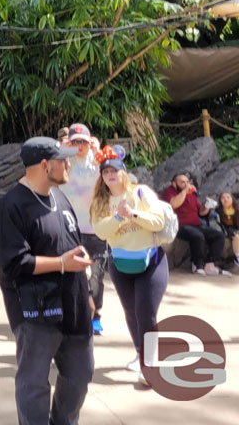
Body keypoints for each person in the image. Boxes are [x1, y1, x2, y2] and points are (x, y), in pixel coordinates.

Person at [0, 137, 93, 425]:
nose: (68, 164)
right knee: (34, 383)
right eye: (62, 160)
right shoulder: (11, 206)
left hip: (74, 306)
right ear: (45, 165)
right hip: (35, 311)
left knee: (81, 373)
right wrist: (61, 264)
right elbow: (14, 263)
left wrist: (86, 293)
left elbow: (73, 245)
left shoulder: (59, 197)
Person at [89, 146, 169, 385]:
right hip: (120, 262)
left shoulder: (141, 193)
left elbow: (158, 221)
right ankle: (139, 351)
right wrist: (117, 216)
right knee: (131, 312)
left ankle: (150, 364)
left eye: (114, 170)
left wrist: (132, 214)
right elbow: (100, 231)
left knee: (146, 311)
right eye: (105, 172)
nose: (110, 175)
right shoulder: (100, 202)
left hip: (151, 260)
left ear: (123, 172)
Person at [59, 123, 107, 335]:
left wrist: (99, 152)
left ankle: (95, 315)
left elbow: (116, 176)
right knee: (69, 274)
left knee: (96, 276)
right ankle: (71, 315)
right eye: (75, 141)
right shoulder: (62, 161)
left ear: (90, 142)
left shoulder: (98, 161)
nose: (79, 146)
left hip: (95, 227)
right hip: (69, 227)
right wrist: (62, 149)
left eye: (83, 142)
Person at [161, 172, 227, 276]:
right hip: (179, 225)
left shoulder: (191, 194)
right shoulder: (169, 192)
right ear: (174, 184)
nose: (186, 184)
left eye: (187, 182)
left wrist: (206, 205)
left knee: (218, 236)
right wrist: (184, 191)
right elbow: (173, 204)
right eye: (182, 182)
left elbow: (201, 212)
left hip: (196, 224)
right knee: (197, 236)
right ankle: (197, 265)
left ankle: (210, 264)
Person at [218, 192, 239, 266]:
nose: (225, 199)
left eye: (228, 197)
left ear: (232, 199)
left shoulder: (237, 210)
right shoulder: (218, 211)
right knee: (237, 237)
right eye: (223, 198)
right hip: (227, 231)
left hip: (236, 229)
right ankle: (238, 259)